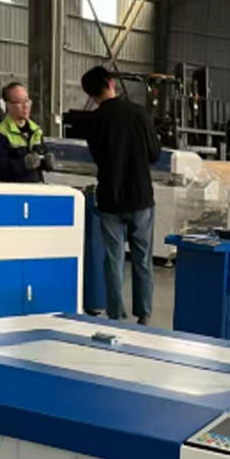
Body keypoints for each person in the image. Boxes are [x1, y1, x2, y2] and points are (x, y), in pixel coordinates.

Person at [81, 65, 161, 325]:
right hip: (140, 196)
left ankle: (116, 314)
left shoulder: (93, 122)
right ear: (111, 83)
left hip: (109, 198)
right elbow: (154, 154)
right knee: (142, 257)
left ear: (91, 95)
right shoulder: (138, 113)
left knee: (113, 259)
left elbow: (98, 157)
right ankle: (144, 314)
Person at [0, 82, 46, 182]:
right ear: (8, 105)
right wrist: (23, 164)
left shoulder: (36, 131)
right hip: (14, 188)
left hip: (36, 187)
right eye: (19, 102)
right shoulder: (1, 134)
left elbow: (41, 157)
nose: (25, 106)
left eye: (27, 101)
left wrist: (46, 162)